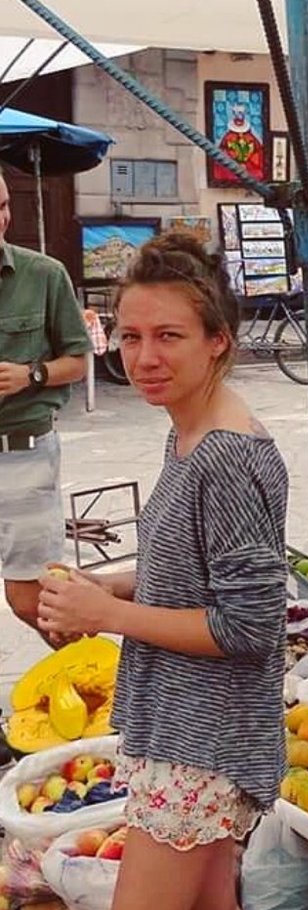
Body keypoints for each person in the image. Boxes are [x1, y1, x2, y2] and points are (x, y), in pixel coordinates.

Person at [37, 233, 288, 910]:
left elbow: (250, 626)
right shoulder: (188, 431)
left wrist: (110, 615)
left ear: (219, 340)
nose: (144, 357)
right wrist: (104, 587)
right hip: (189, 729)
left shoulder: (227, 457)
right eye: (132, 335)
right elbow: (190, 574)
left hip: (201, 741)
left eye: (169, 336)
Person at [0, 165, 90, 639]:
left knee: (34, 601)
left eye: (3, 206)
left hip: (23, 455)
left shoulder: (44, 274)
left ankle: (102, 687)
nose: (1, 220)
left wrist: (30, 375)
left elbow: (78, 360)